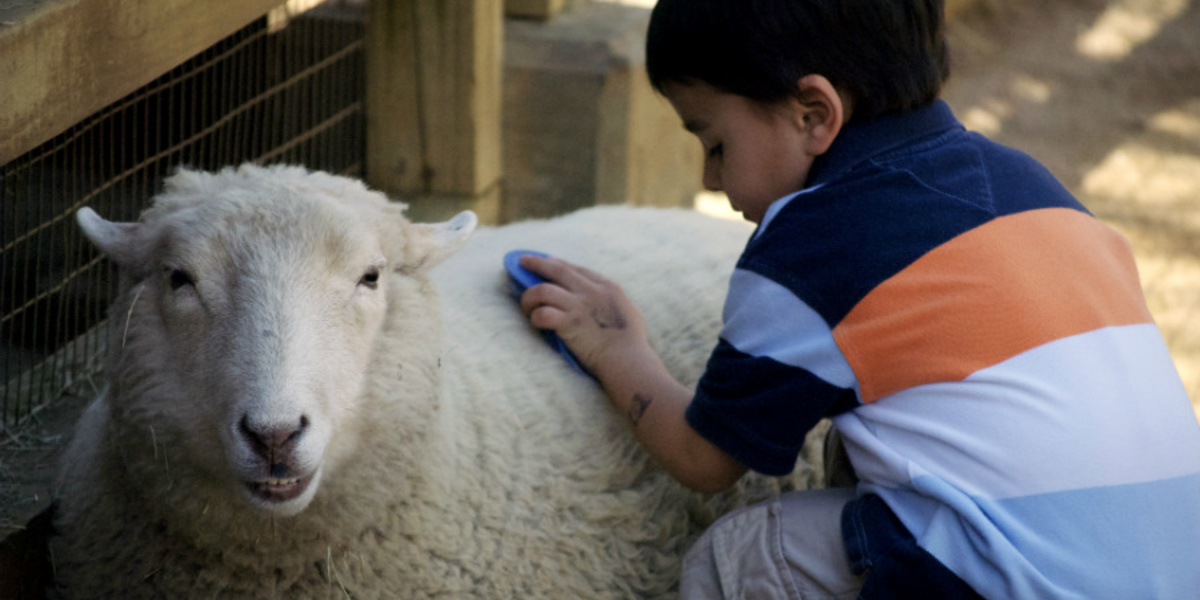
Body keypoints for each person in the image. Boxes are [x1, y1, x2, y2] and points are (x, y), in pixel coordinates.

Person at [517, 0, 1200, 597]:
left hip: (1020, 579)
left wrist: (617, 348)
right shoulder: (1031, 184)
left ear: (813, 114)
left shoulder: (813, 246)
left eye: (716, 143)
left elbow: (704, 458)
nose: (710, 178)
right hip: (1176, 565)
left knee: (740, 560)